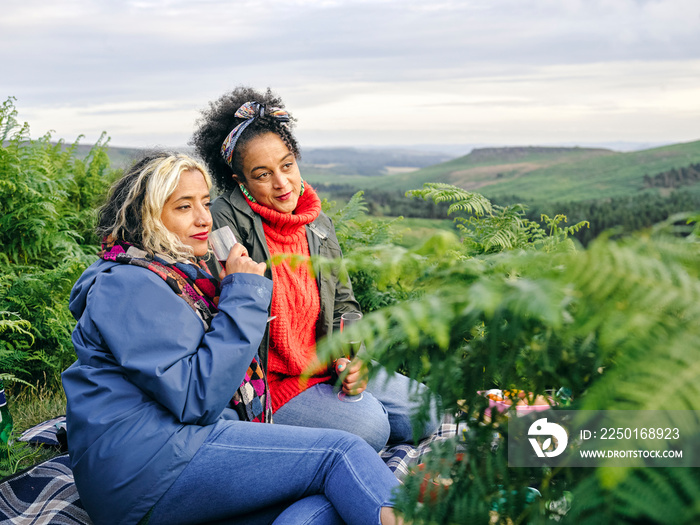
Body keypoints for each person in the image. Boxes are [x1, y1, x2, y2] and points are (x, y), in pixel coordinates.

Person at [61, 152, 405, 525]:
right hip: (145, 469)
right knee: (340, 453)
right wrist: (242, 295)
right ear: (147, 216)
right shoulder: (126, 284)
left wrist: (229, 293)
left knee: (319, 505)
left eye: (206, 203)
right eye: (183, 207)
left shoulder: (177, 278)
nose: (204, 218)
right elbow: (197, 398)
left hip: (174, 454)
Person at [192, 87, 440, 453]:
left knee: (429, 411)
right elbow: (223, 314)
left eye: (287, 165)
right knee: (372, 427)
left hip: (326, 366)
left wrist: (352, 356)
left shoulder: (317, 224)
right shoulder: (224, 226)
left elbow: (344, 305)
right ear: (240, 181)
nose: (282, 183)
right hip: (272, 382)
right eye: (262, 174)